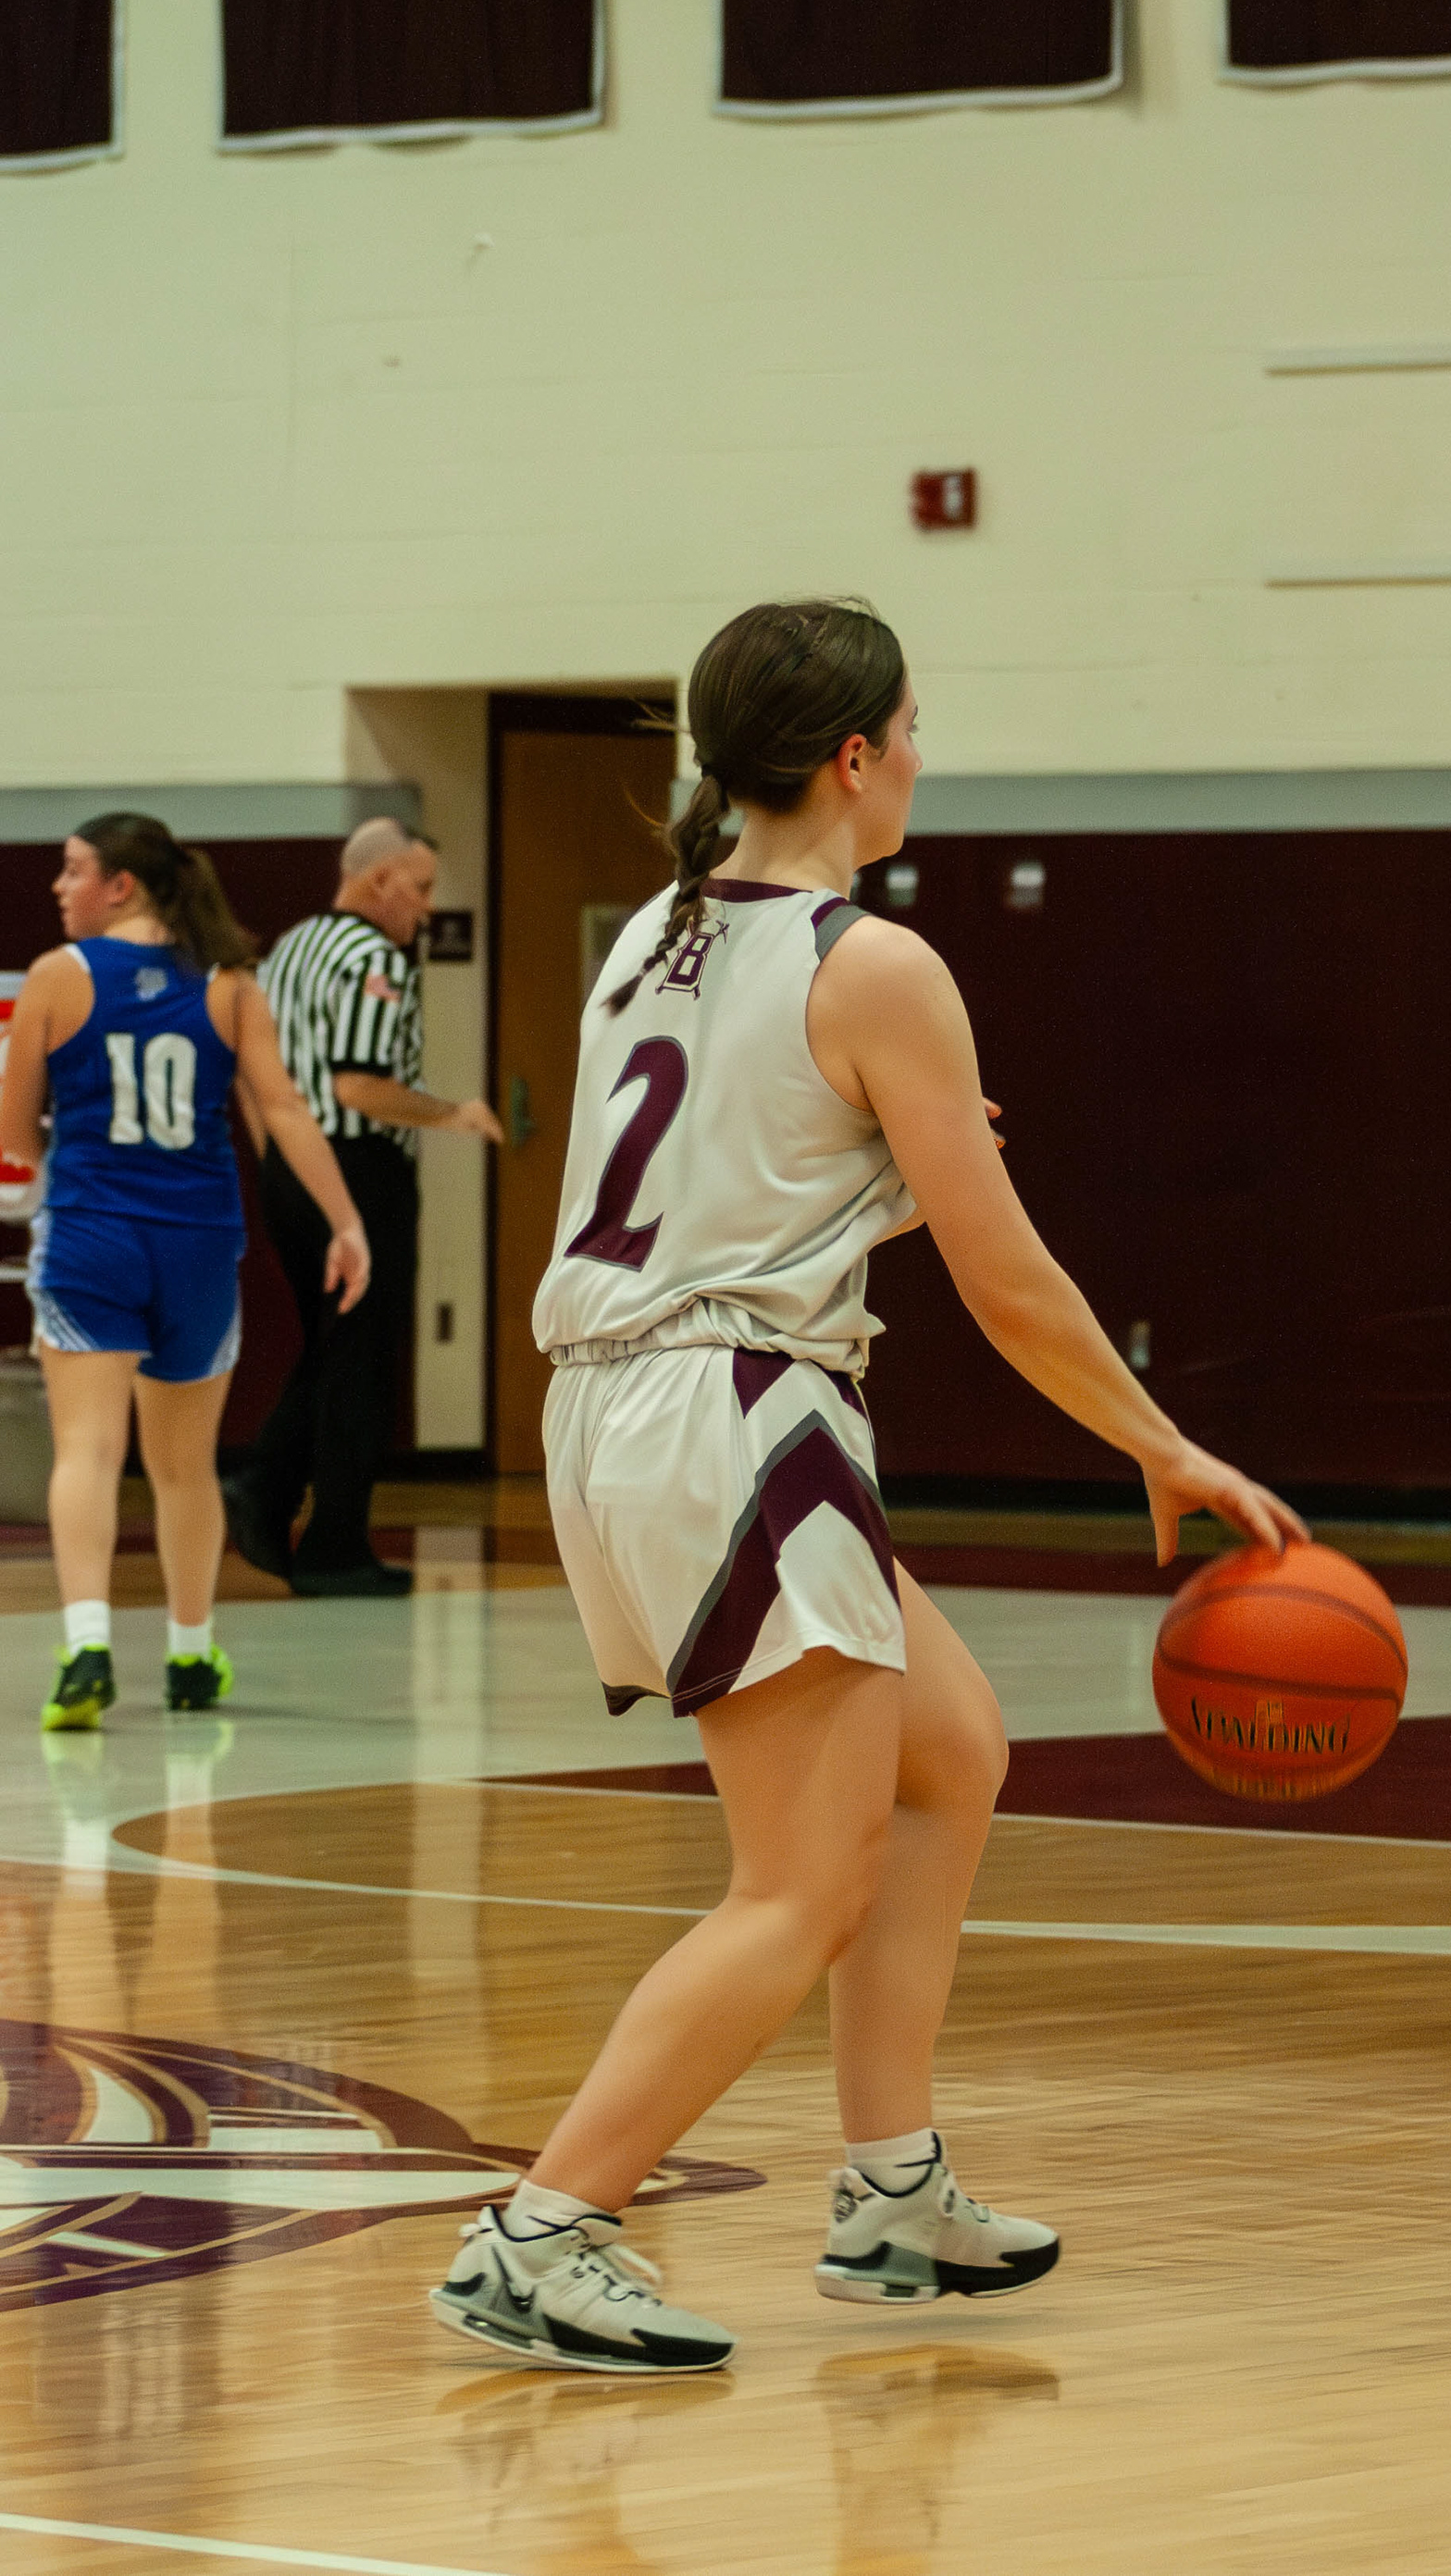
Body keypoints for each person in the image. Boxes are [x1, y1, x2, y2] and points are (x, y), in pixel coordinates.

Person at [428, 598, 1307, 2376]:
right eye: (912, 730)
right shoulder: (877, 964)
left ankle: (891, 2194)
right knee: (799, 1886)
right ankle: (542, 2233)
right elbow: (1010, 1282)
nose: (920, 757)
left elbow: (721, 1179)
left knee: (949, 1748)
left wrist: (877, 1176)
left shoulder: (658, 933)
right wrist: (1163, 1441)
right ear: (854, 755)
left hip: (624, 1400)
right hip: (739, 1411)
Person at [0, 814, 371, 1731]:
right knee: (185, 1467)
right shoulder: (230, 981)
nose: (59, 886)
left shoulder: (58, 975)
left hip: (91, 1237)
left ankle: (87, 1646)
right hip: (198, 1244)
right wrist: (345, 1221)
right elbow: (283, 1112)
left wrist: (53, 1172)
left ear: (120, 884)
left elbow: (13, 1131)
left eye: (73, 869)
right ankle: (192, 1651)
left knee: (88, 1451)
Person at [224, 818, 502, 1598]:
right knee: (364, 1357)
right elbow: (358, 1086)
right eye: (421, 889)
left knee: (332, 1345)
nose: (427, 908)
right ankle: (332, 1542)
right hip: (357, 1167)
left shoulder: (289, 949)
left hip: (290, 1167)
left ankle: (269, 1490)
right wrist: (453, 1113)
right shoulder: (375, 957)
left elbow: (253, 1078)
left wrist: (278, 1160)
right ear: (380, 880)